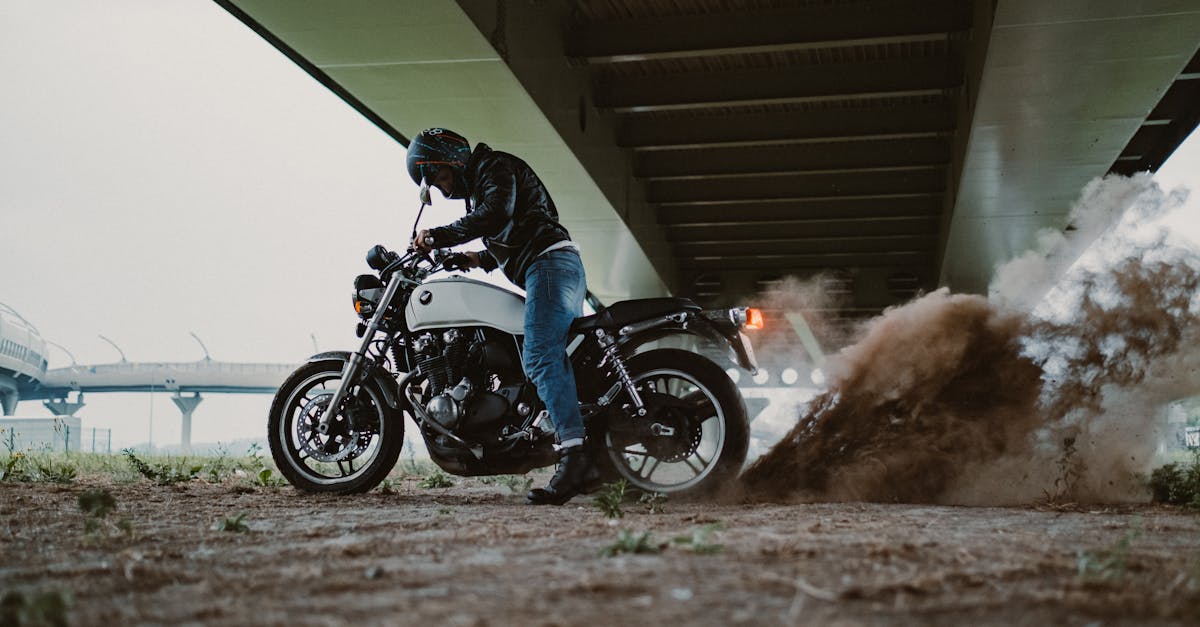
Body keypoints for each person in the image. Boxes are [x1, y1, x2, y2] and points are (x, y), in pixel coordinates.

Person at [406, 128, 599, 505]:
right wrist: (476, 259)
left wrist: (436, 237)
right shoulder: (488, 180)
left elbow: (495, 215)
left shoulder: (494, 167)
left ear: (452, 161)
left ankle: (576, 458)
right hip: (550, 265)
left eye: (440, 178)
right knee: (550, 357)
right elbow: (515, 229)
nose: (443, 189)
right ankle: (590, 452)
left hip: (548, 265)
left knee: (541, 355)